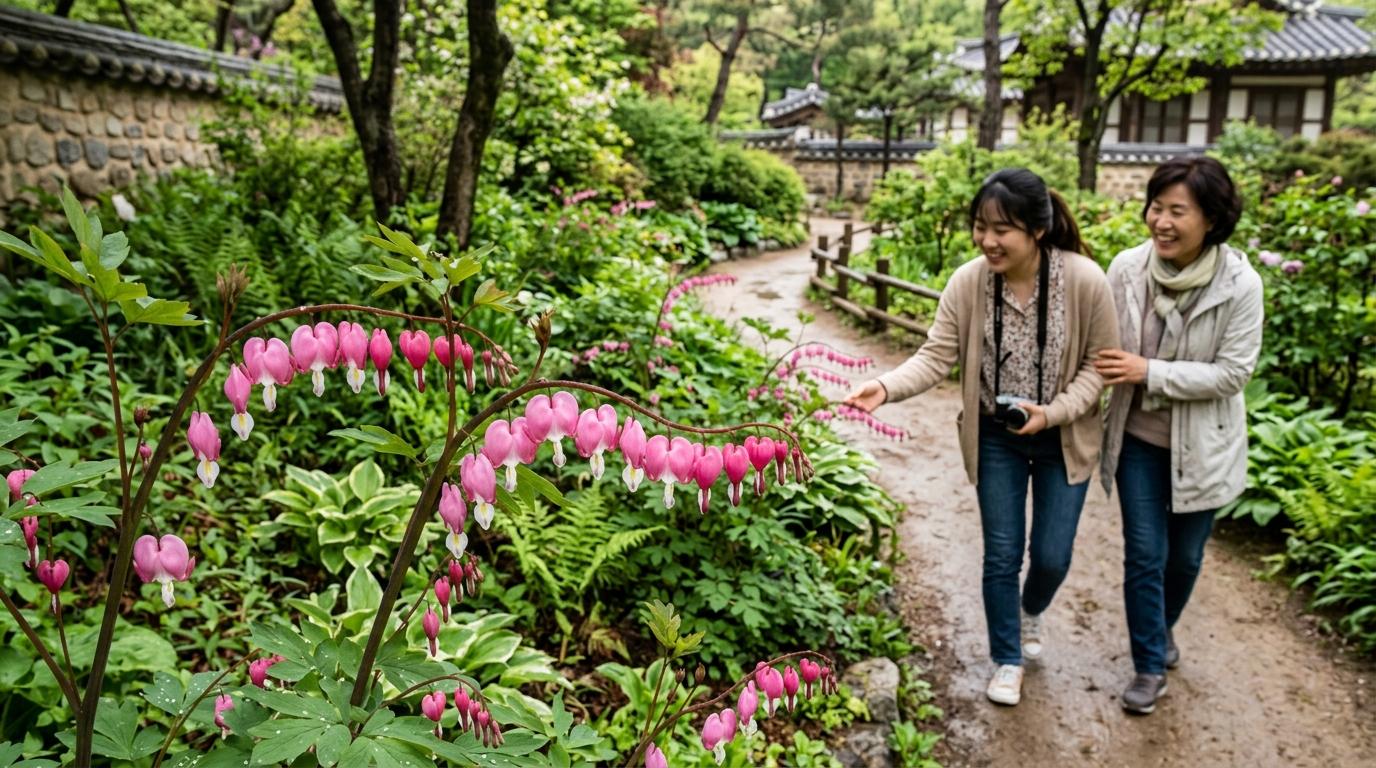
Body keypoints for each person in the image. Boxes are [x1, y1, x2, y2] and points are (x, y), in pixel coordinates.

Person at [845, 168, 1118, 706]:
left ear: (1036, 230)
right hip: (996, 436)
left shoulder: (1085, 281)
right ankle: (1007, 657)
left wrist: (1054, 412)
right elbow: (935, 356)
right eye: (980, 226)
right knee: (1000, 554)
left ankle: (1030, 610)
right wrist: (884, 386)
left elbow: (1100, 366)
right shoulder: (969, 282)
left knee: (1052, 558)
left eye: (1003, 229)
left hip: (1063, 436)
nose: (988, 240)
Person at [1094, 156, 1263, 715]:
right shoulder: (1126, 269)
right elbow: (1101, 347)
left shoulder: (1241, 284)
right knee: (1145, 553)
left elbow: (1234, 373)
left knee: (1185, 559)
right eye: (1156, 208)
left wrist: (1151, 371)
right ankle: (1147, 664)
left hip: (1205, 444)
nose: (1161, 222)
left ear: (1211, 219)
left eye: (1177, 212)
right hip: (1139, 438)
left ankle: (1160, 630)